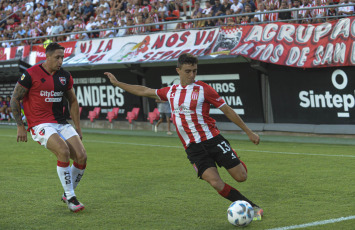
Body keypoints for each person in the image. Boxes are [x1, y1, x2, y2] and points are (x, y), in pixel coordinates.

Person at [104, 53, 264, 220]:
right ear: (178, 71)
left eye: (195, 71)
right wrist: (117, 83)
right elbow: (143, 90)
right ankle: (252, 208)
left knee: (241, 177)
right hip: (193, 148)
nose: (192, 75)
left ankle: (234, 159)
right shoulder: (171, 92)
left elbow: (227, 110)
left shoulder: (204, 89)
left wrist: (248, 131)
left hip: (213, 140)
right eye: (188, 71)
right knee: (215, 182)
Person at [10, 43, 87, 213]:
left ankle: (68, 193)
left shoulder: (65, 76)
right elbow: (15, 98)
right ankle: (71, 196)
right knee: (63, 151)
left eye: (62, 57)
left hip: (60, 122)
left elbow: (73, 101)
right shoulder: (31, 74)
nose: (60, 61)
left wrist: (78, 128)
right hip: (39, 123)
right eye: (57, 57)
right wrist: (20, 126)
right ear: (47, 56)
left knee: (81, 156)